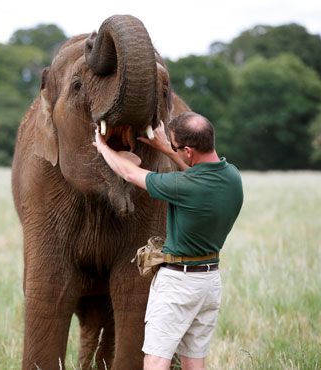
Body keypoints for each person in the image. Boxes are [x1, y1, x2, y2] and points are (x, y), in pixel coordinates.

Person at [93, 112, 243, 370]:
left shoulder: (185, 186)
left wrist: (104, 147)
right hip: (209, 283)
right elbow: (198, 173)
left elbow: (130, 173)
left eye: (175, 147)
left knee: (155, 361)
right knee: (194, 363)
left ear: (188, 150)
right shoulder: (232, 177)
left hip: (178, 284)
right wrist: (169, 150)